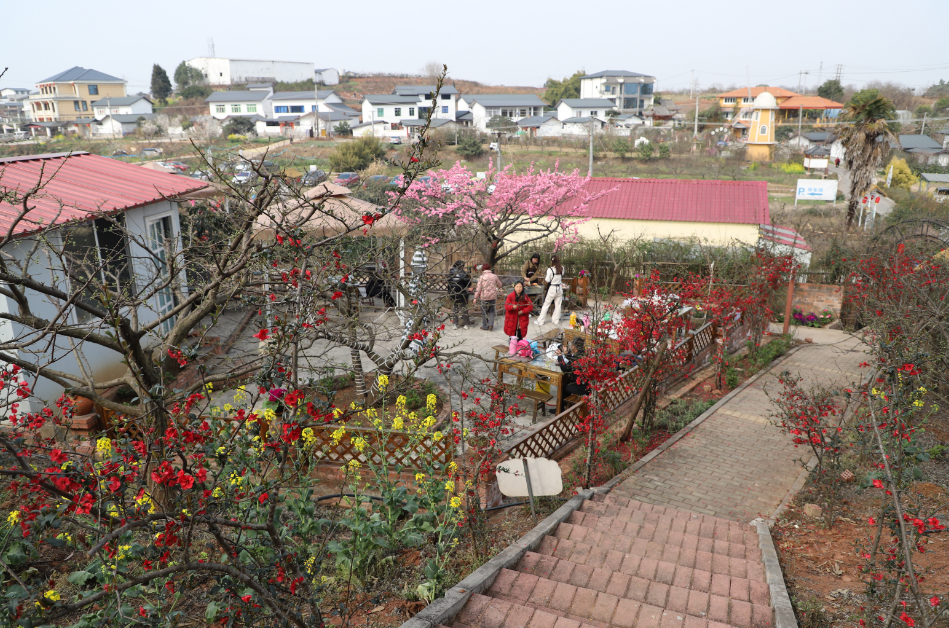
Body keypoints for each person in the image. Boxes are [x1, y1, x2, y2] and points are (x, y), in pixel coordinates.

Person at [535, 255, 564, 327]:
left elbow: (547, 280)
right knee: (558, 305)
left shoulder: (550, 269)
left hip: (552, 288)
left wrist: (547, 276)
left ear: (552, 261)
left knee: (546, 304)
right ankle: (555, 320)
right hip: (559, 288)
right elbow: (561, 275)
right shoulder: (562, 268)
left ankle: (540, 321)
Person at [473, 263, 503, 331]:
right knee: (491, 311)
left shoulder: (481, 277)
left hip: (484, 297)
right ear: (490, 268)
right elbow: (500, 285)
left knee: (484, 311)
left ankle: (485, 326)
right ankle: (491, 325)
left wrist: (475, 297)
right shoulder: (494, 276)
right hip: (492, 296)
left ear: (483, 269)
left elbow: (478, 288)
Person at [447, 260, 472, 330]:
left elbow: (448, 283)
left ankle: (455, 324)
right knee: (464, 308)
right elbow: (468, 284)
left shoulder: (450, 273)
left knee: (455, 308)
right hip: (462, 293)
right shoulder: (464, 273)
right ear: (461, 266)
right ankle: (466, 324)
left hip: (453, 293)